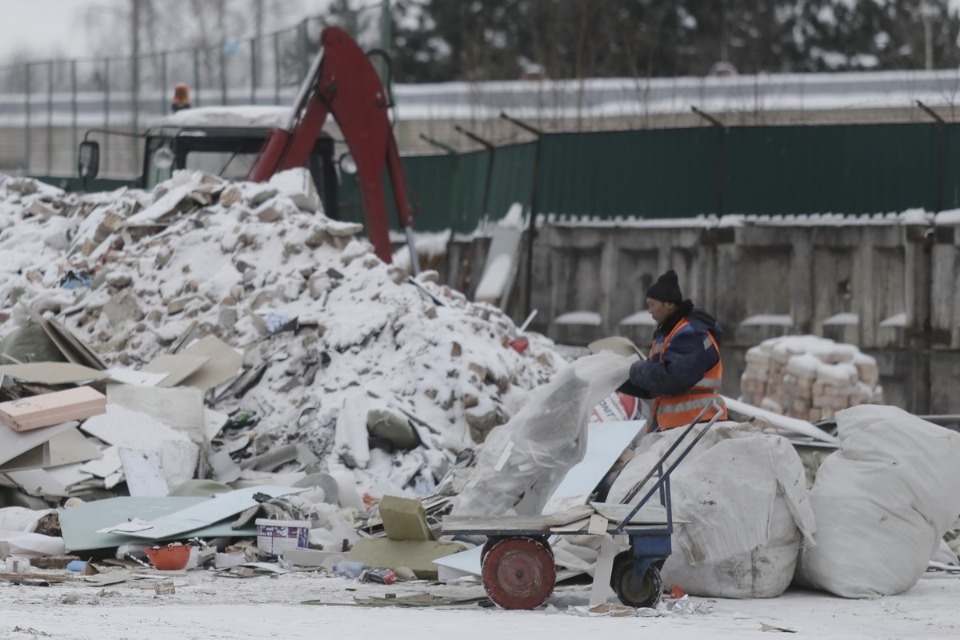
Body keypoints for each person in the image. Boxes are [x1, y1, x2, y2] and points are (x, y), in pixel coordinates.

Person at [619, 269, 728, 431]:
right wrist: (618, 379)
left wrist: (634, 370)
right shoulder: (668, 333)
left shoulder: (691, 333)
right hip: (678, 425)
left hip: (696, 424)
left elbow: (673, 379)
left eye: (652, 304)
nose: (649, 310)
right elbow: (653, 385)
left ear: (669, 304)